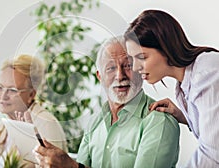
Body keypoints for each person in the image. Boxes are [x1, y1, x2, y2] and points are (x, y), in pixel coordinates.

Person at [34, 36, 180, 168]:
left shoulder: (159, 121)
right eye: (110, 68)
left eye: (128, 65)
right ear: (100, 76)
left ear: (140, 70)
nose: (120, 75)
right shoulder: (94, 123)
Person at [124, 9, 219, 167]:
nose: (135, 67)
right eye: (132, 59)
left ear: (166, 48)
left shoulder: (205, 72)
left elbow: (212, 152)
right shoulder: (184, 86)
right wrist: (184, 116)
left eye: (142, 57)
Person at [0, 54, 68, 167]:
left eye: (12, 90)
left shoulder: (46, 124)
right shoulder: (4, 127)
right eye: (0, 87)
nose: (3, 96)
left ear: (31, 94)